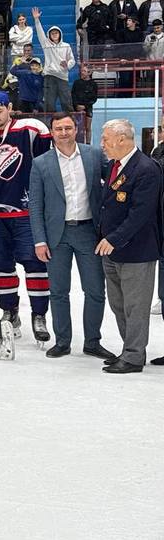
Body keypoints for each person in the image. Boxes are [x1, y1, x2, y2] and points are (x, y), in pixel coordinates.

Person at [29, 113, 114, 360]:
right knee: (58, 292)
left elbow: (115, 180)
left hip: (89, 232)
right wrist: (39, 240)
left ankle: (92, 342)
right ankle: (62, 341)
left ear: (76, 129)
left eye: (68, 128)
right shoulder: (41, 163)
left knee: (95, 290)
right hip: (57, 235)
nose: (64, 133)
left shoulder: (94, 155)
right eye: (59, 129)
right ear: (52, 132)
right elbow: (35, 205)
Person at [0, 91, 52, 343]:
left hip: (27, 213)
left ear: (10, 107)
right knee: (1, 265)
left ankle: (39, 315)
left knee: (35, 264)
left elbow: (48, 165)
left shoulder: (32, 129)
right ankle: (9, 312)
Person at [97, 120, 163, 373]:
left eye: (105, 139)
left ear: (122, 139)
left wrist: (113, 238)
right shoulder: (115, 165)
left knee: (135, 307)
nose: (102, 144)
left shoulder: (146, 168)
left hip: (136, 250)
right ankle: (130, 350)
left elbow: (141, 213)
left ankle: (134, 357)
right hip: (111, 250)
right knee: (119, 304)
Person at [32, 7, 74, 111]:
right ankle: (50, 121)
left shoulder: (66, 45)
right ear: (49, 35)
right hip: (49, 76)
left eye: (56, 33)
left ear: (60, 34)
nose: (54, 35)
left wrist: (67, 65)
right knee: (49, 103)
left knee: (66, 102)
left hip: (63, 77)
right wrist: (36, 20)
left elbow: (72, 60)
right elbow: (40, 33)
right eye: (52, 33)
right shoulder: (46, 44)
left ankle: (69, 120)